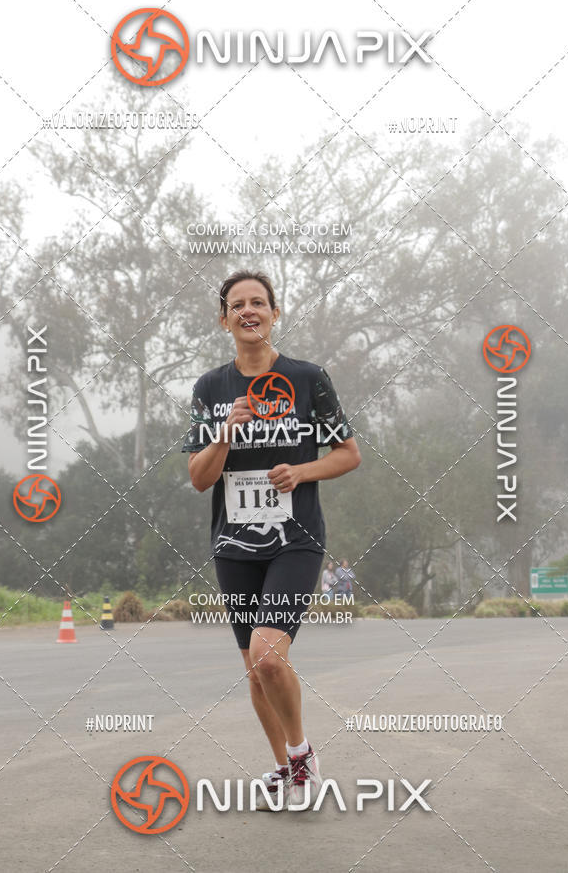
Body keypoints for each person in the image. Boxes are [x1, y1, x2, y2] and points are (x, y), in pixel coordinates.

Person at [182, 269, 361, 810]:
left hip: (295, 539)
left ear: (275, 313)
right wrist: (225, 434)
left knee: (268, 658)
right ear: (224, 320)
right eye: (237, 305)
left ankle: (303, 758)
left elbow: (349, 454)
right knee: (255, 673)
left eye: (258, 302)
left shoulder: (310, 378)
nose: (248, 310)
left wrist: (302, 472)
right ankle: (284, 770)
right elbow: (198, 477)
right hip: (234, 545)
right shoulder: (210, 389)